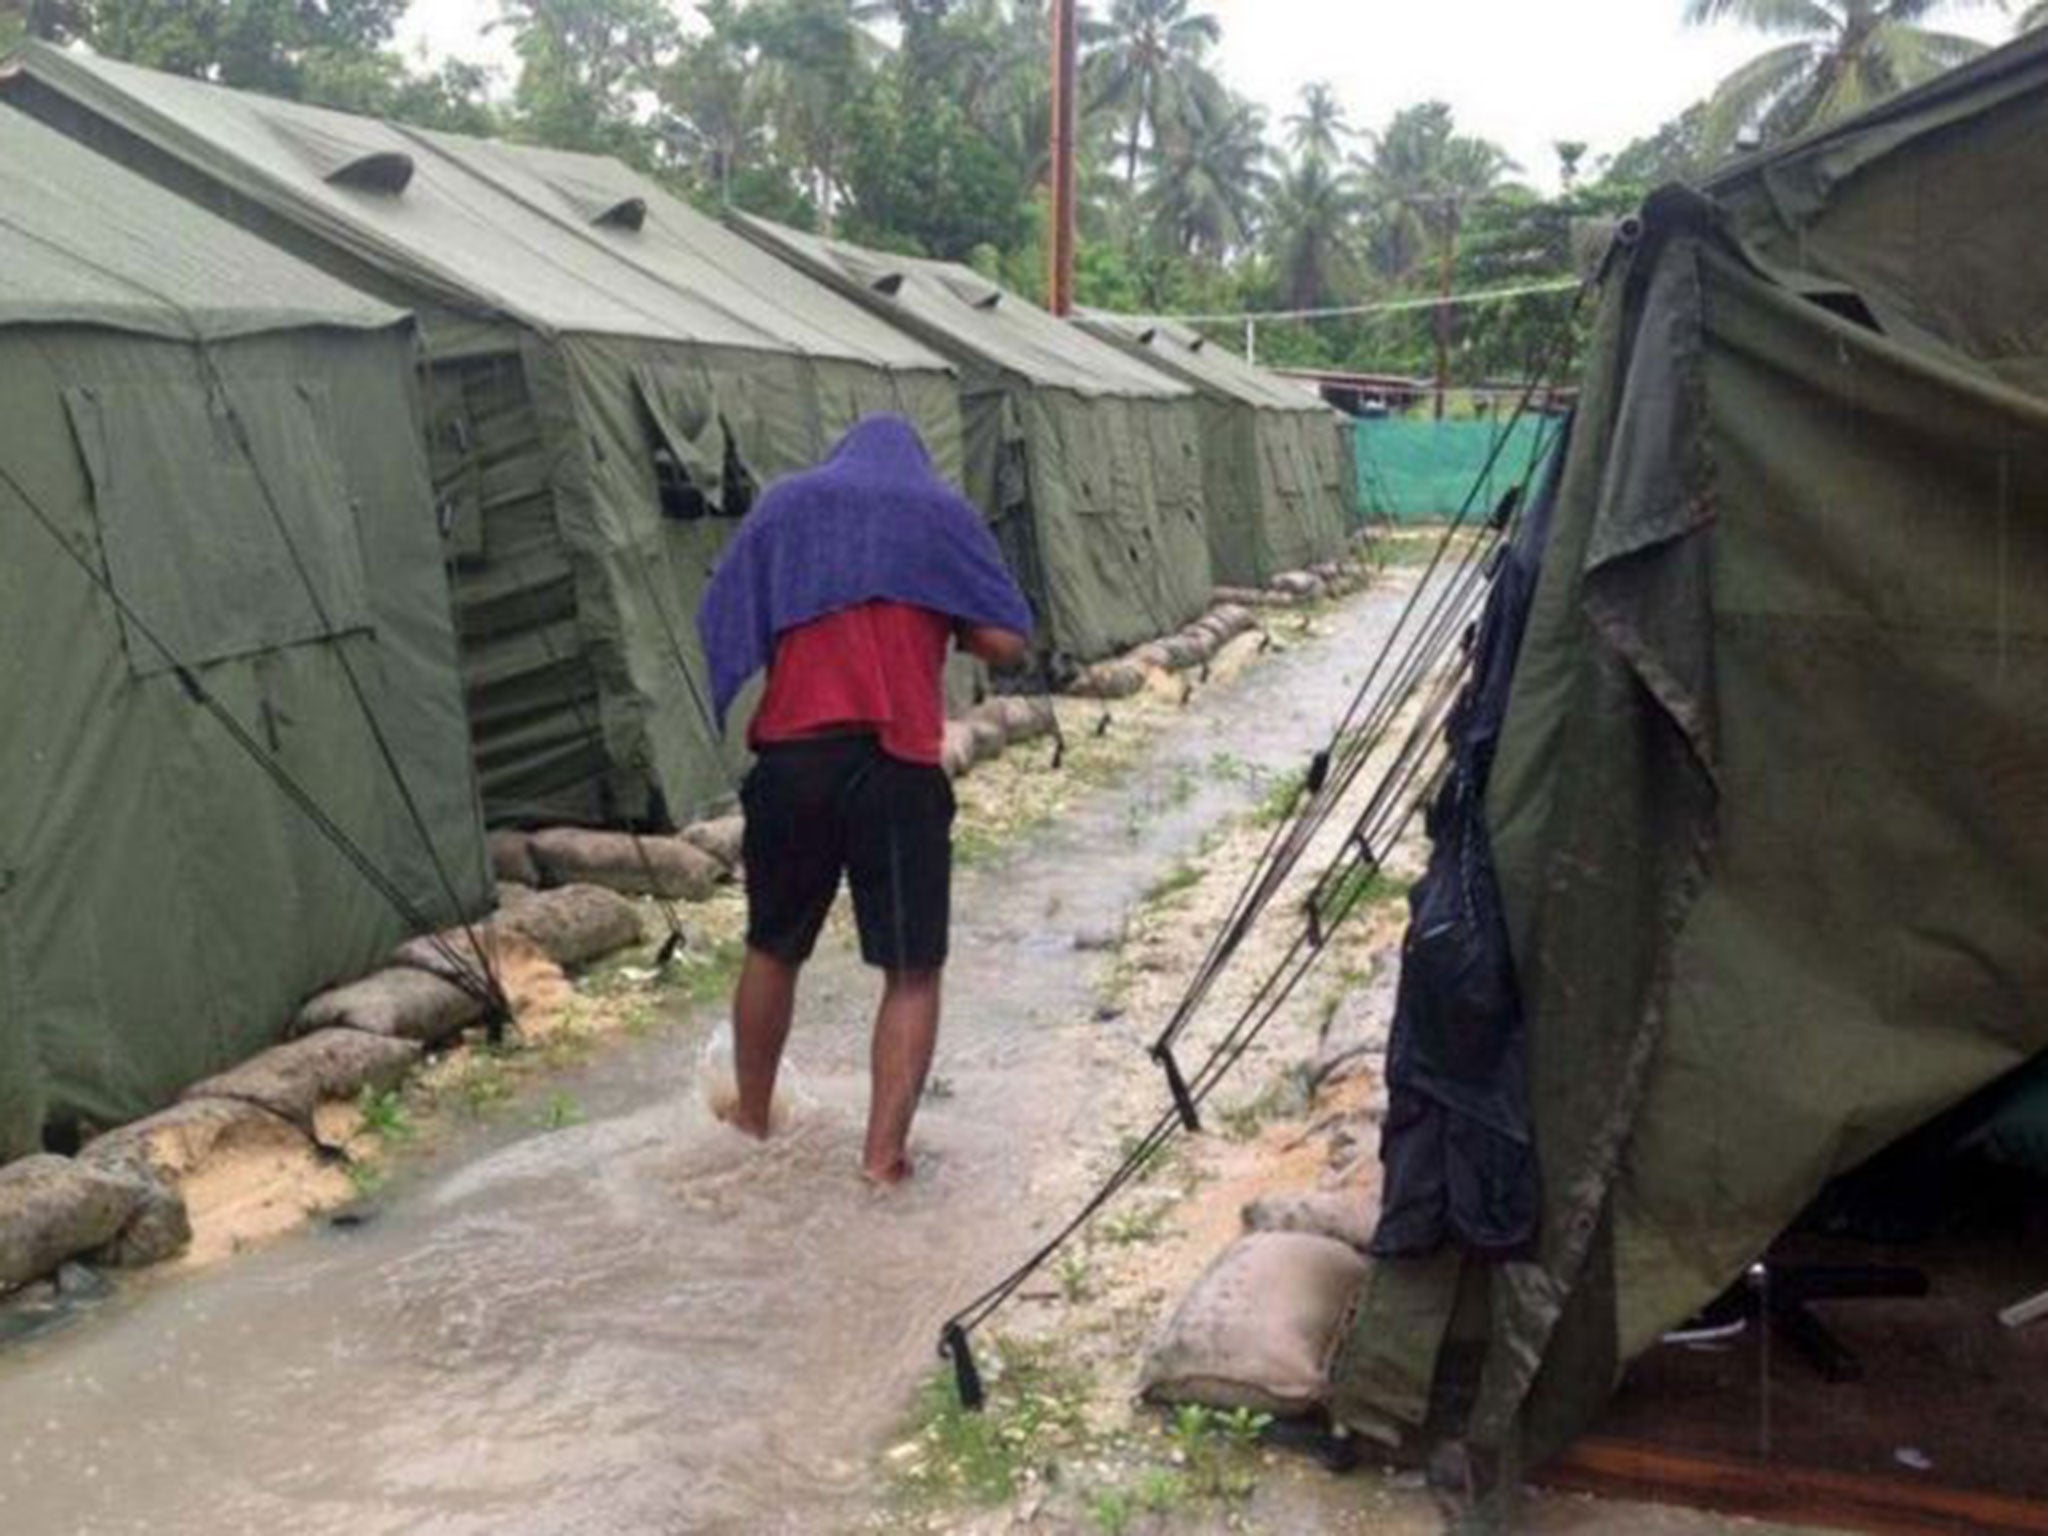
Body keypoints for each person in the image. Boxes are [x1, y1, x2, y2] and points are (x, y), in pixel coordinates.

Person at [696, 415, 1034, 1184]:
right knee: (912, 971)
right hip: (897, 769)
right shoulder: (940, 515)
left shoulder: (788, 507)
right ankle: (882, 1161)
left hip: (794, 761)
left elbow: (725, 612)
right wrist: (940, 610)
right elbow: (1008, 640)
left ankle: (750, 1124)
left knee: (773, 950)